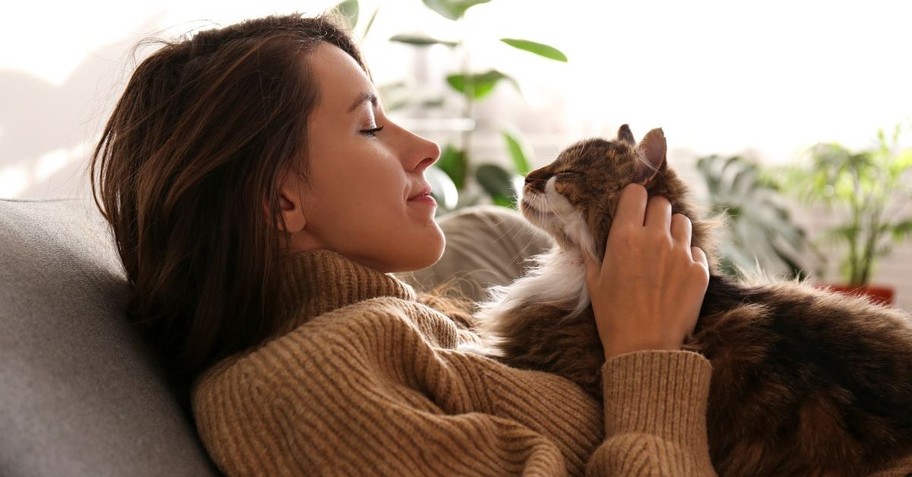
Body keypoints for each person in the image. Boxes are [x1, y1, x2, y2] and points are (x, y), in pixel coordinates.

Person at [89, 12, 908, 477]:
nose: (426, 148)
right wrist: (649, 361)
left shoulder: (411, 327)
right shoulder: (305, 382)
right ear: (280, 198)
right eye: (371, 124)